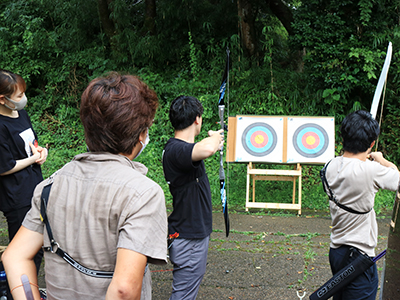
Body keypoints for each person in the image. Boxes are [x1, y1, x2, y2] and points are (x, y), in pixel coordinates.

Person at [2, 72, 168, 300]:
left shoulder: (50, 185)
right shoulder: (143, 194)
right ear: (141, 134)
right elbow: (123, 290)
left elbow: (14, 256)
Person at [323, 110, 399, 300]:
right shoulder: (371, 170)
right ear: (372, 143)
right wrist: (381, 160)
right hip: (359, 258)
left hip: (337, 253)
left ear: (343, 137)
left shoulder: (329, 166)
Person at [162, 95, 223, 300]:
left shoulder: (185, 150)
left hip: (191, 234)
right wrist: (215, 138)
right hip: (189, 238)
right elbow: (207, 148)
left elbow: (200, 149)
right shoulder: (175, 150)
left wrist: (212, 140)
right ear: (197, 119)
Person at [0, 69, 47, 277]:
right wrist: (32, 160)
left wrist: (40, 151)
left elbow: (31, 143)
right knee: (22, 253)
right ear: (3, 99)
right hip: (16, 196)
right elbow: (5, 167)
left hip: (35, 186)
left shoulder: (21, 113)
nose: (23, 99)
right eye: (19, 96)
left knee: (38, 248)